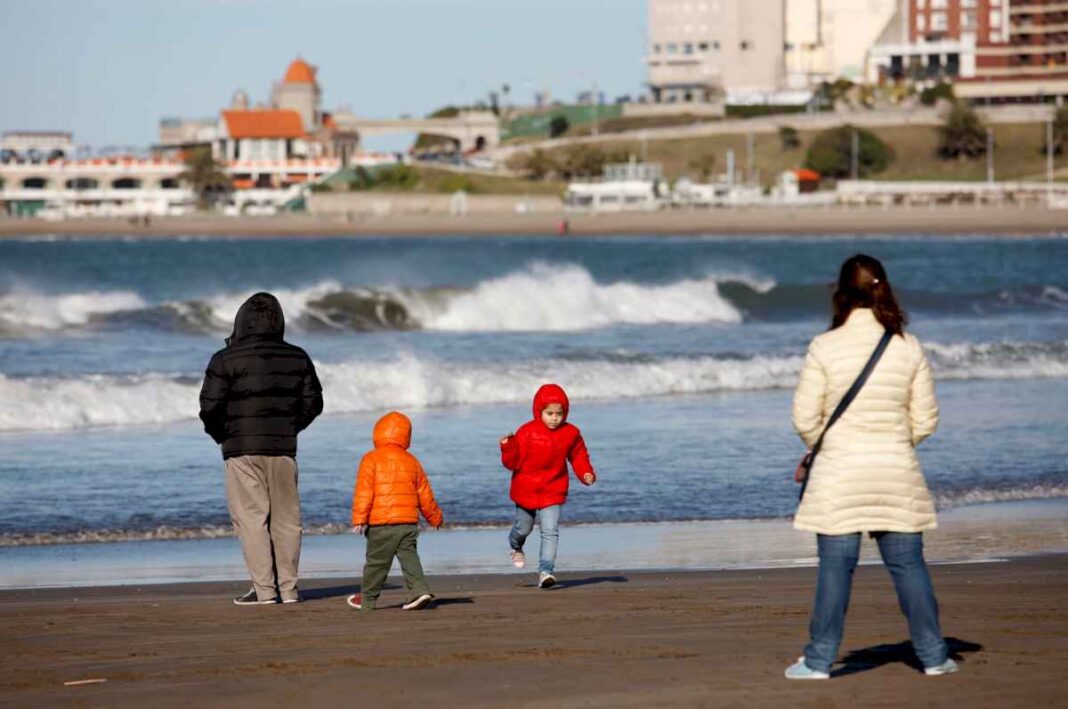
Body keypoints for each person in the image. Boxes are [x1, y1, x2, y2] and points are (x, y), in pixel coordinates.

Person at [785, 255, 957, 680]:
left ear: (840, 292)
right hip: (895, 470)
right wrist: (896, 442)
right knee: (909, 567)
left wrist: (823, 447)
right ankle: (934, 657)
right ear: (883, 288)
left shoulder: (824, 347)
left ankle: (820, 661)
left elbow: (804, 418)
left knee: (835, 569)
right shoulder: (908, 346)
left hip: (840, 474)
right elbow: (926, 420)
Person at [198, 292, 323, 606]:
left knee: (252, 519)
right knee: (287, 520)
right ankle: (289, 590)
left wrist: (224, 437)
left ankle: (266, 591)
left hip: (241, 448)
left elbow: (209, 407)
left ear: (240, 321)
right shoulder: (297, 356)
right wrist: (290, 428)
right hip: (283, 448)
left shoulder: (225, 358)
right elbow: (314, 404)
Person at [500, 383, 596, 589]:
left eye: (559, 413)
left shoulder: (570, 433)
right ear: (539, 411)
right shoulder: (526, 431)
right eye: (549, 413)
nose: (554, 418)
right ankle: (515, 546)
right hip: (525, 488)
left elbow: (579, 456)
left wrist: (585, 473)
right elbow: (512, 463)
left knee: (550, 531)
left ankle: (546, 571)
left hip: (553, 489)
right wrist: (508, 447)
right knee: (523, 527)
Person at [347, 411, 444, 612]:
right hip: (407, 522)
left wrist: (359, 518)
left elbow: (364, 491)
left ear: (378, 432)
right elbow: (424, 493)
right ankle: (419, 590)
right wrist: (435, 517)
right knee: (409, 557)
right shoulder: (412, 460)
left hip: (381, 524)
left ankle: (367, 599)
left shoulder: (370, 458)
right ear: (406, 436)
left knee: (376, 562)